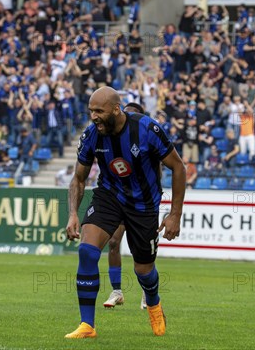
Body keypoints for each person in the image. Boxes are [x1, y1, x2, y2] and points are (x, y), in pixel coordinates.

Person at [65, 87, 186, 339]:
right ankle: (87, 325)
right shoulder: (91, 135)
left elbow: (178, 167)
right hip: (109, 196)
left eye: (99, 111)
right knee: (87, 251)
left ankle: (153, 303)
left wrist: (175, 214)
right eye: (91, 111)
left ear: (116, 109)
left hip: (144, 204)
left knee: (143, 269)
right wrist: (73, 214)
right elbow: (78, 178)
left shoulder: (146, 129)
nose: (94, 116)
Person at [102, 102, 149, 310]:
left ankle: (148, 293)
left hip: (141, 202)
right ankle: (117, 291)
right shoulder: (113, 142)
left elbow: (156, 172)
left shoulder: (146, 139)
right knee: (113, 242)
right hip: (119, 199)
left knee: (142, 251)